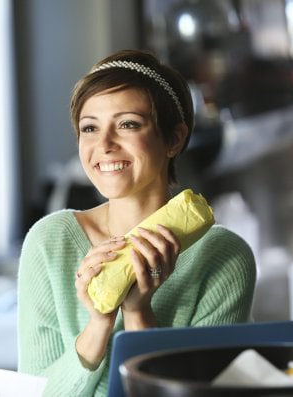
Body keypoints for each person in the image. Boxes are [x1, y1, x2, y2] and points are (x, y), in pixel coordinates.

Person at [17, 49, 256, 396]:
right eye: (89, 128)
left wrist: (138, 313)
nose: (105, 145)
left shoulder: (224, 258)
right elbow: (34, 392)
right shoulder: (49, 242)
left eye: (128, 124)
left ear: (173, 138)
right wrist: (98, 324)